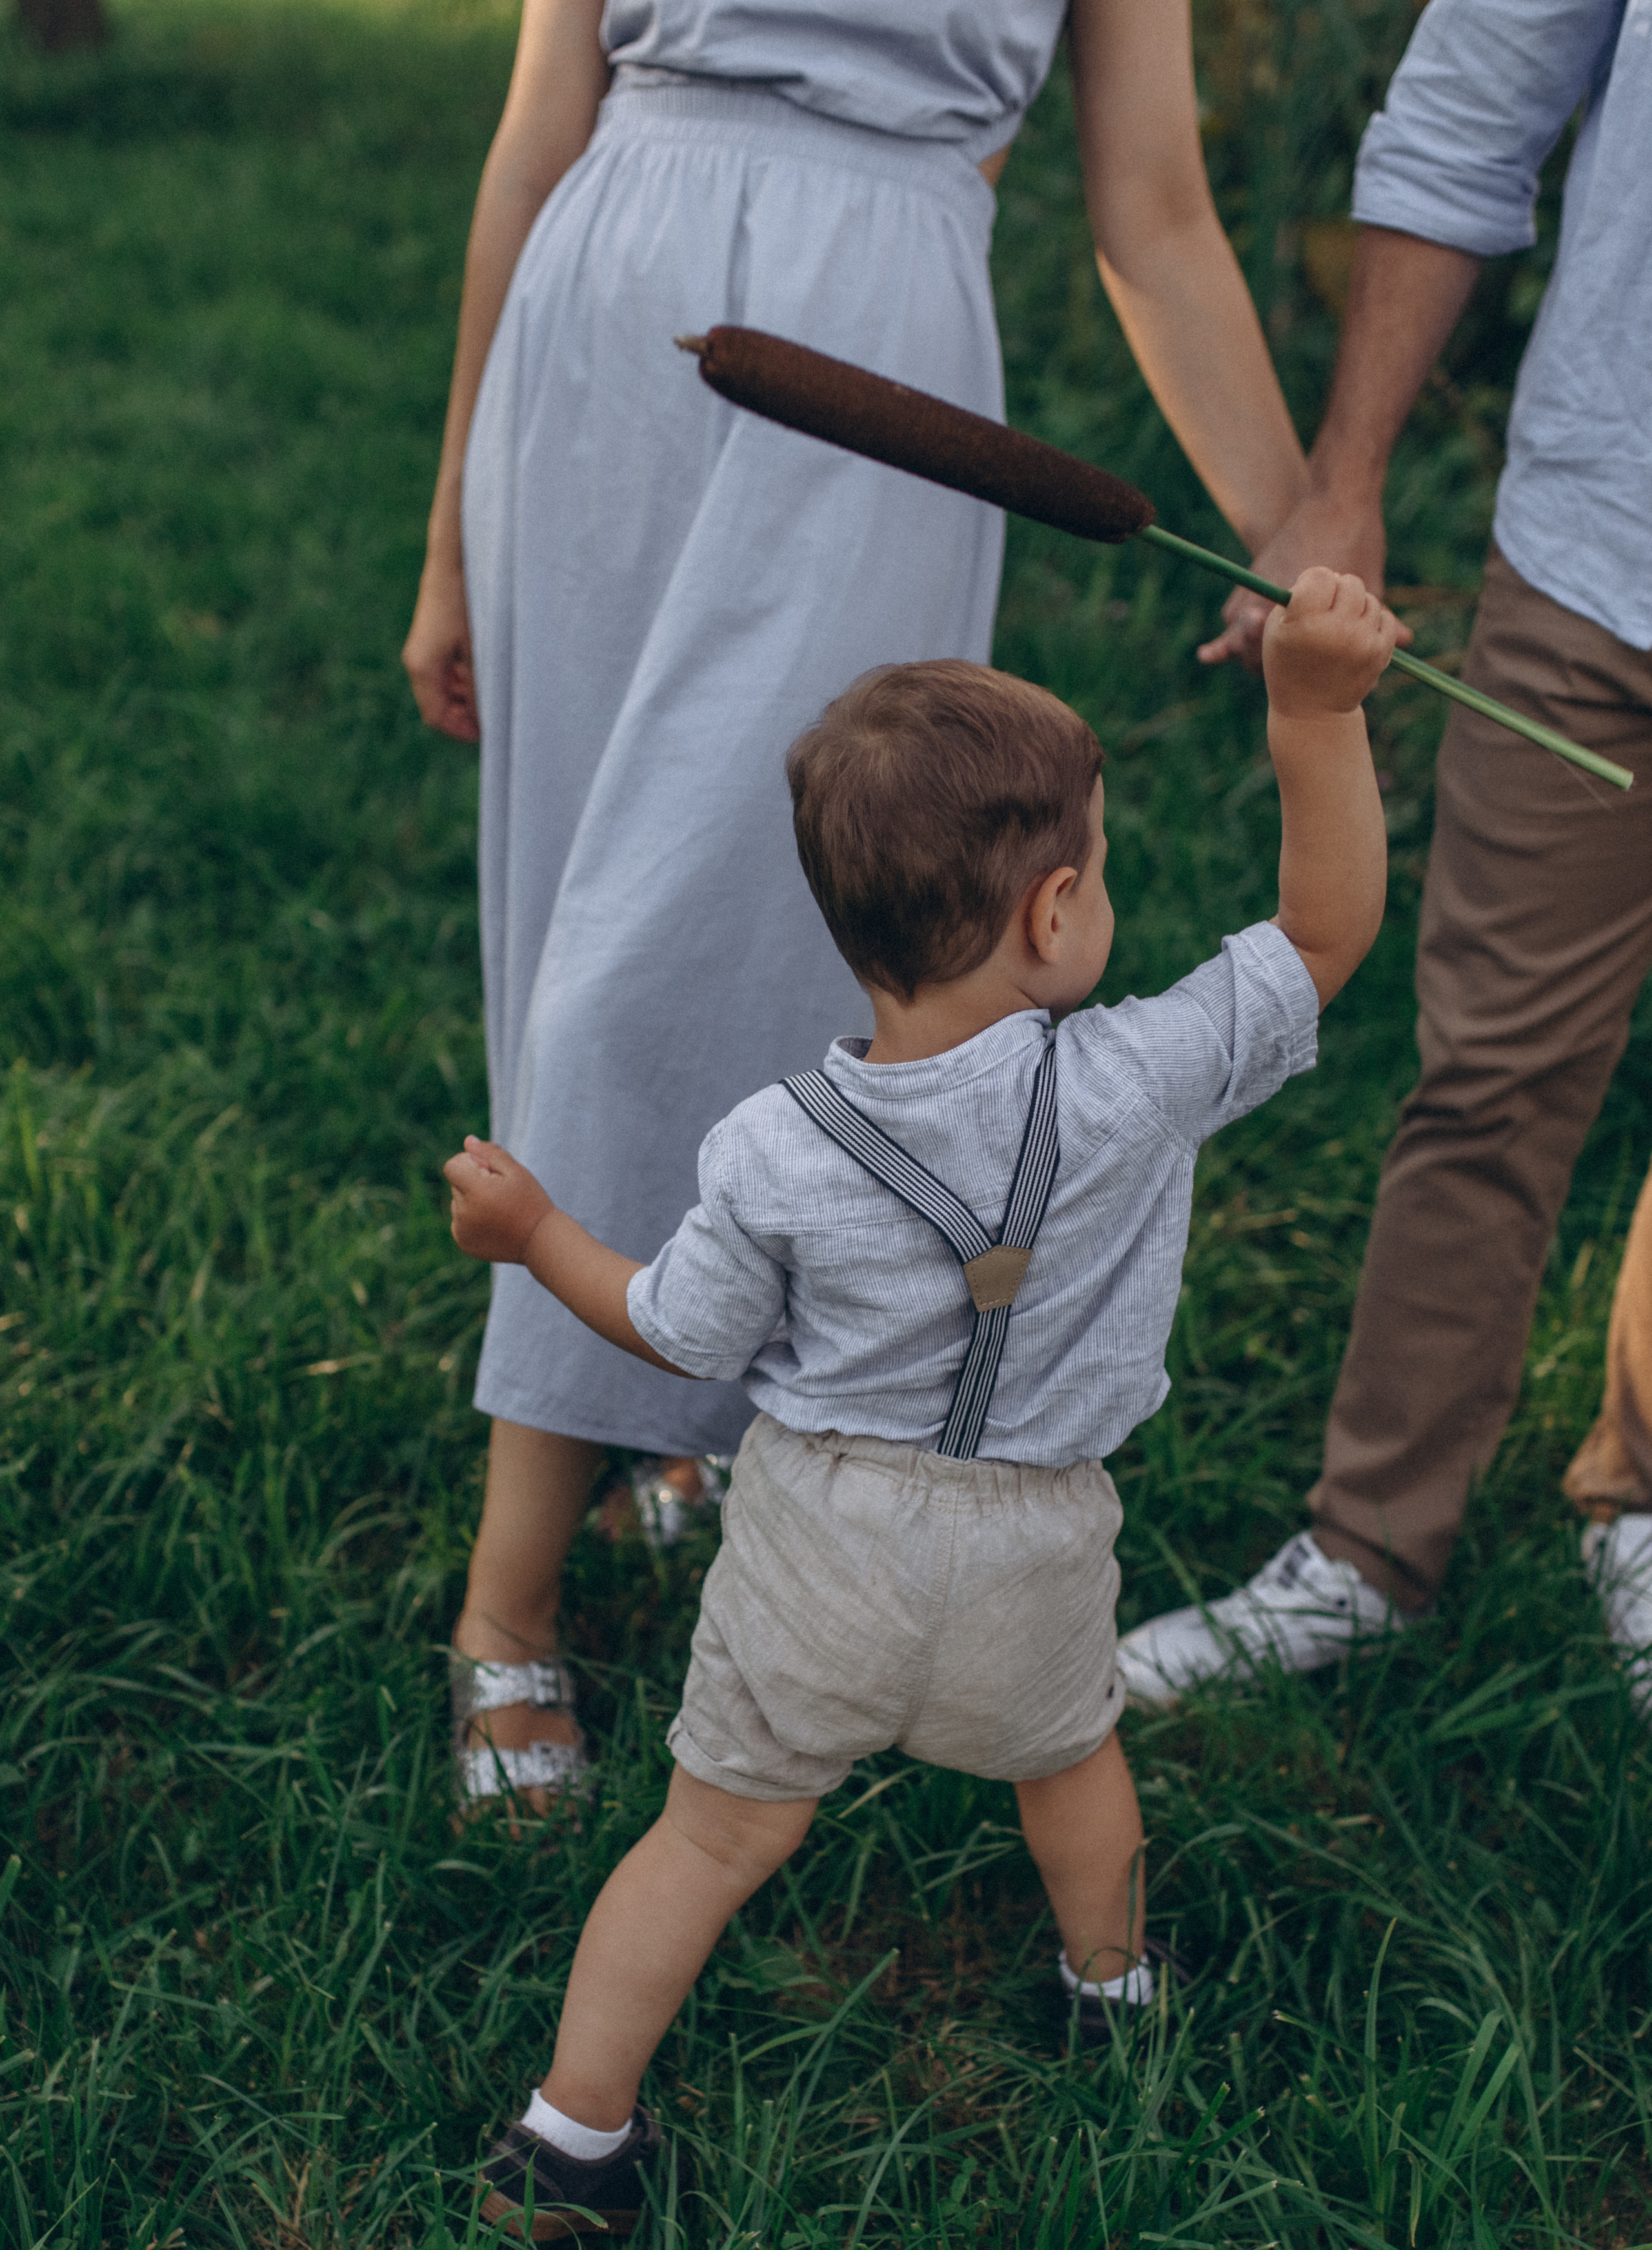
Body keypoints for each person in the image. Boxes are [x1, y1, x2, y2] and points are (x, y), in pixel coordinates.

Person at [401, 0, 1315, 1812]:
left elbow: (1154, 209)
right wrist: (451, 529)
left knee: (770, 928)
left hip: (888, 353)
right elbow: (536, 129)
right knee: (590, 933)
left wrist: (1295, 527)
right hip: (609, 315)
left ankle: (671, 1429)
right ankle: (519, 1585)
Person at [439, 575, 1396, 2231]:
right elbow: (1320, 936)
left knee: (707, 1841)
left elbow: (674, 1332)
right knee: (1071, 1762)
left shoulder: (770, 1149)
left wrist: (535, 1237)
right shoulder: (1137, 1081)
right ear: (1052, 912)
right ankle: (1111, 1992)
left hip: (816, 1535)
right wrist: (1313, 712)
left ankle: (568, 2134)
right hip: (1038, 1537)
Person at [1119, 0, 1652, 1709]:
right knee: (1489, 1075)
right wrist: (1340, 481)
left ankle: (1639, 1492)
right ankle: (1365, 1554)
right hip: (1598, 553)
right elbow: (1468, 106)